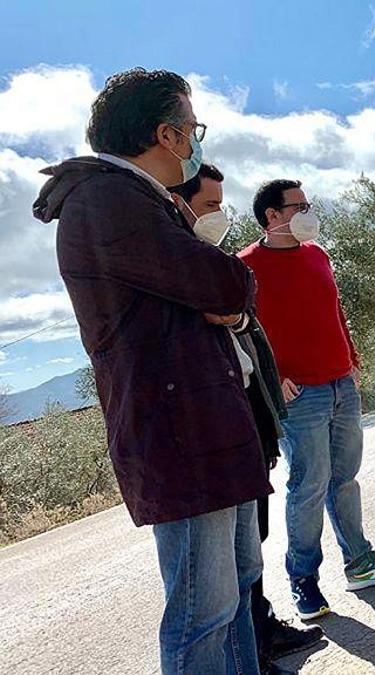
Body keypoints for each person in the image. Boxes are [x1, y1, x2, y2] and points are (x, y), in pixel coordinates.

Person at [32, 68, 267, 675]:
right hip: (182, 435)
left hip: (207, 429)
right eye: (192, 130)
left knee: (236, 594)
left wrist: (228, 299)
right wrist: (231, 289)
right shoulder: (108, 200)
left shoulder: (139, 201)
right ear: (166, 134)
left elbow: (222, 298)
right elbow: (224, 282)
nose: (196, 143)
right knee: (202, 614)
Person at [168, 163, 325, 669]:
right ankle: (250, 643)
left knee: (249, 543)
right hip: (216, 429)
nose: (219, 215)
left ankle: (258, 633)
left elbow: (243, 323)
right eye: (211, 205)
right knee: (222, 568)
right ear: (180, 204)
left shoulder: (212, 263)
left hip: (249, 420)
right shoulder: (180, 267)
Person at [239, 179, 375, 621]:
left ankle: (360, 563)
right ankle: (303, 579)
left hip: (340, 385)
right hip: (301, 397)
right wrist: (273, 379)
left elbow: (335, 310)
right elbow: (245, 334)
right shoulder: (247, 267)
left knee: (345, 479)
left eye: (308, 204)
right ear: (271, 216)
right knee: (308, 487)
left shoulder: (317, 255)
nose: (308, 213)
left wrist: (351, 359)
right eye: (298, 206)